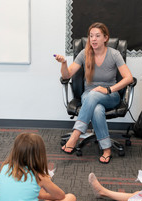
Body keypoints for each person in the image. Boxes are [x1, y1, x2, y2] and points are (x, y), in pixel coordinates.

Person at [55, 22, 133, 164]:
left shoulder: (114, 54)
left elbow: (128, 78)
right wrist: (64, 63)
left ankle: (76, 134)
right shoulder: (84, 54)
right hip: (89, 95)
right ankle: (107, 148)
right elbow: (67, 76)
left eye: (97, 36)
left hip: (111, 95)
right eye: (91, 36)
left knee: (93, 96)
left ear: (105, 38)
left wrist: (108, 89)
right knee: (97, 108)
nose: (93, 39)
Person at [0, 133, 76, 201]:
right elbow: (61, 196)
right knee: (70, 197)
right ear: (40, 154)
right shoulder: (39, 175)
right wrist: (44, 194)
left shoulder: (5, 167)